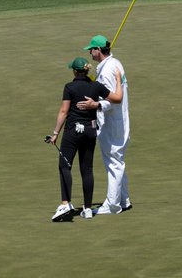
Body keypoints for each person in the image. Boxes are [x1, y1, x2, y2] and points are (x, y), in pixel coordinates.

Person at [48, 57, 111, 222]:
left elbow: (63, 111)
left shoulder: (70, 87)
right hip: (91, 131)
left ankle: (65, 203)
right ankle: (88, 209)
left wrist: (55, 133)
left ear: (75, 71)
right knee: (87, 169)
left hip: (72, 132)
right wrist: (97, 102)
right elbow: (113, 98)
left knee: (64, 165)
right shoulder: (96, 86)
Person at [78, 35, 131, 216]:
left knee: (113, 162)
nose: (90, 53)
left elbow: (112, 101)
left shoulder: (108, 70)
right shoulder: (115, 63)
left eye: (91, 50)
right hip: (119, 121)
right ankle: (123, 199)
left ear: (98, 50)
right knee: (118, 161)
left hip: (112, 123)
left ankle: (113, 205)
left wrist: (96, 105)